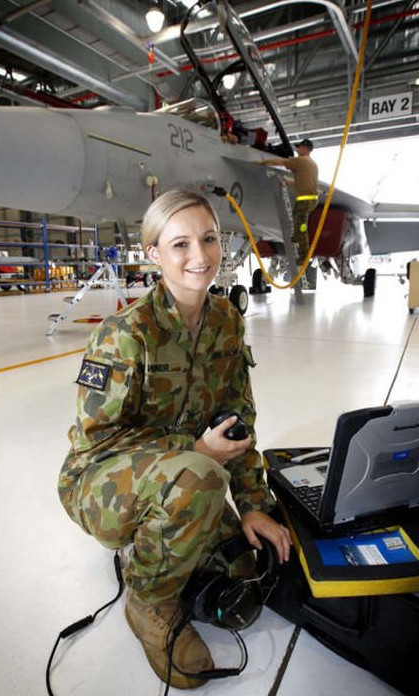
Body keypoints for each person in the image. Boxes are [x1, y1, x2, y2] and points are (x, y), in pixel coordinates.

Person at [58, 189, 291, 690]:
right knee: (201, 478)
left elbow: (238, 422)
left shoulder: (226, 322)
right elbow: (96, 443)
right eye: (180, 244)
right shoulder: (126, 333)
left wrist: (254, 505)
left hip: (180, 475)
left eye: (209, 239)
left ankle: (161, 542)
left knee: (242, 567)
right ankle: (149, 602)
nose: (200, 255)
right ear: (153, 253)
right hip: (98, 485)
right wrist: (195, 450)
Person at [259, 138, 319, 265]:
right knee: (297, 222)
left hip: (304, 200)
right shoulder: (312, 164)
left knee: (300, 228)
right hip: (309, 200)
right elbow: (302, 182)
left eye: (300, 147)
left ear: (306, 149)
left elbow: (280, 162)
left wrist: (263, 162)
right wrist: (287, 181)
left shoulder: (301, 161)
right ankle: (297, 239)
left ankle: (303, 257)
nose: (297, 150)